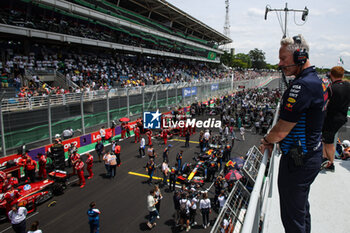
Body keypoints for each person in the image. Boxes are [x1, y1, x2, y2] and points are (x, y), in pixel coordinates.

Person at [259, 34, 327, 233]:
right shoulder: (318, 81)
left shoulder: (302, 86)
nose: (280, 64)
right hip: (311, 155)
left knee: (292, 218)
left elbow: (280, 131)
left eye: (283, 59)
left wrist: (266, 140)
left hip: (299, 161)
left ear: (300, 57)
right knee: (301, 211)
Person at [321, 66, 350, 171]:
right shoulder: (347, 85)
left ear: (331, 75)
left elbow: (324, 103)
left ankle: (330, 163)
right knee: (325, 139)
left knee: (328, 141)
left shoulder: (331, 88)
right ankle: (325, 159)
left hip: (331, 118)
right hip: (342, 117)